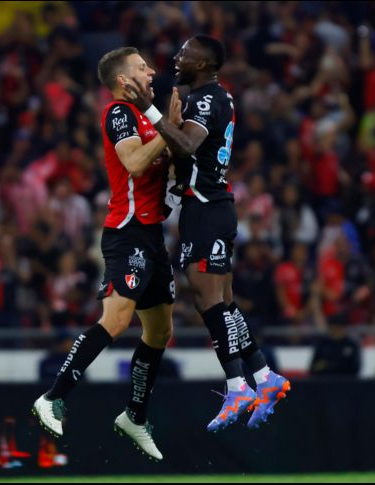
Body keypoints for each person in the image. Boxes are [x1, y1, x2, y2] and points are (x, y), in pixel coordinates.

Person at [124, 35, 291, 432]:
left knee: (208, 300)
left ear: (203, 64)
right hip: (213, 207)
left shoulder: (204, 100)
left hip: (206, 208)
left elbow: (185, 146)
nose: (177, 58)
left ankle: (237, 385)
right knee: (225, 303)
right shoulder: (218, 96)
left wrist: (146, 108)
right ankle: (264, 377)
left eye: (185, 54)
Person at [32, 47, 181, 461]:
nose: (151, 71)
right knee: (115, 321)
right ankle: (53, 397)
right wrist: (166, 127)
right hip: (127, 231)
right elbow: (134, 162)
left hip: (152, 236)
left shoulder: (145, 116)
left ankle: (134, 416)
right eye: (141, 67)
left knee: (159, 332)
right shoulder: (119, 113)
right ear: (123, 80)